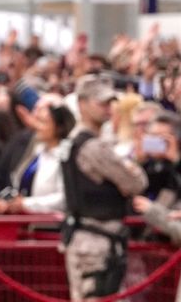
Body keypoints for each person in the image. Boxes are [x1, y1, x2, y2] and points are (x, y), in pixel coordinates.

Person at [62, 75, 148, 301]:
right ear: (82, 104)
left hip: (84, 238)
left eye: (110, 103)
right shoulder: (93, 147)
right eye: (100, 103)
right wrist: (131, 168)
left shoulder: (71, 142)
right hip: (97, 243)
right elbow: (137, 183)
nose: (108, 109)